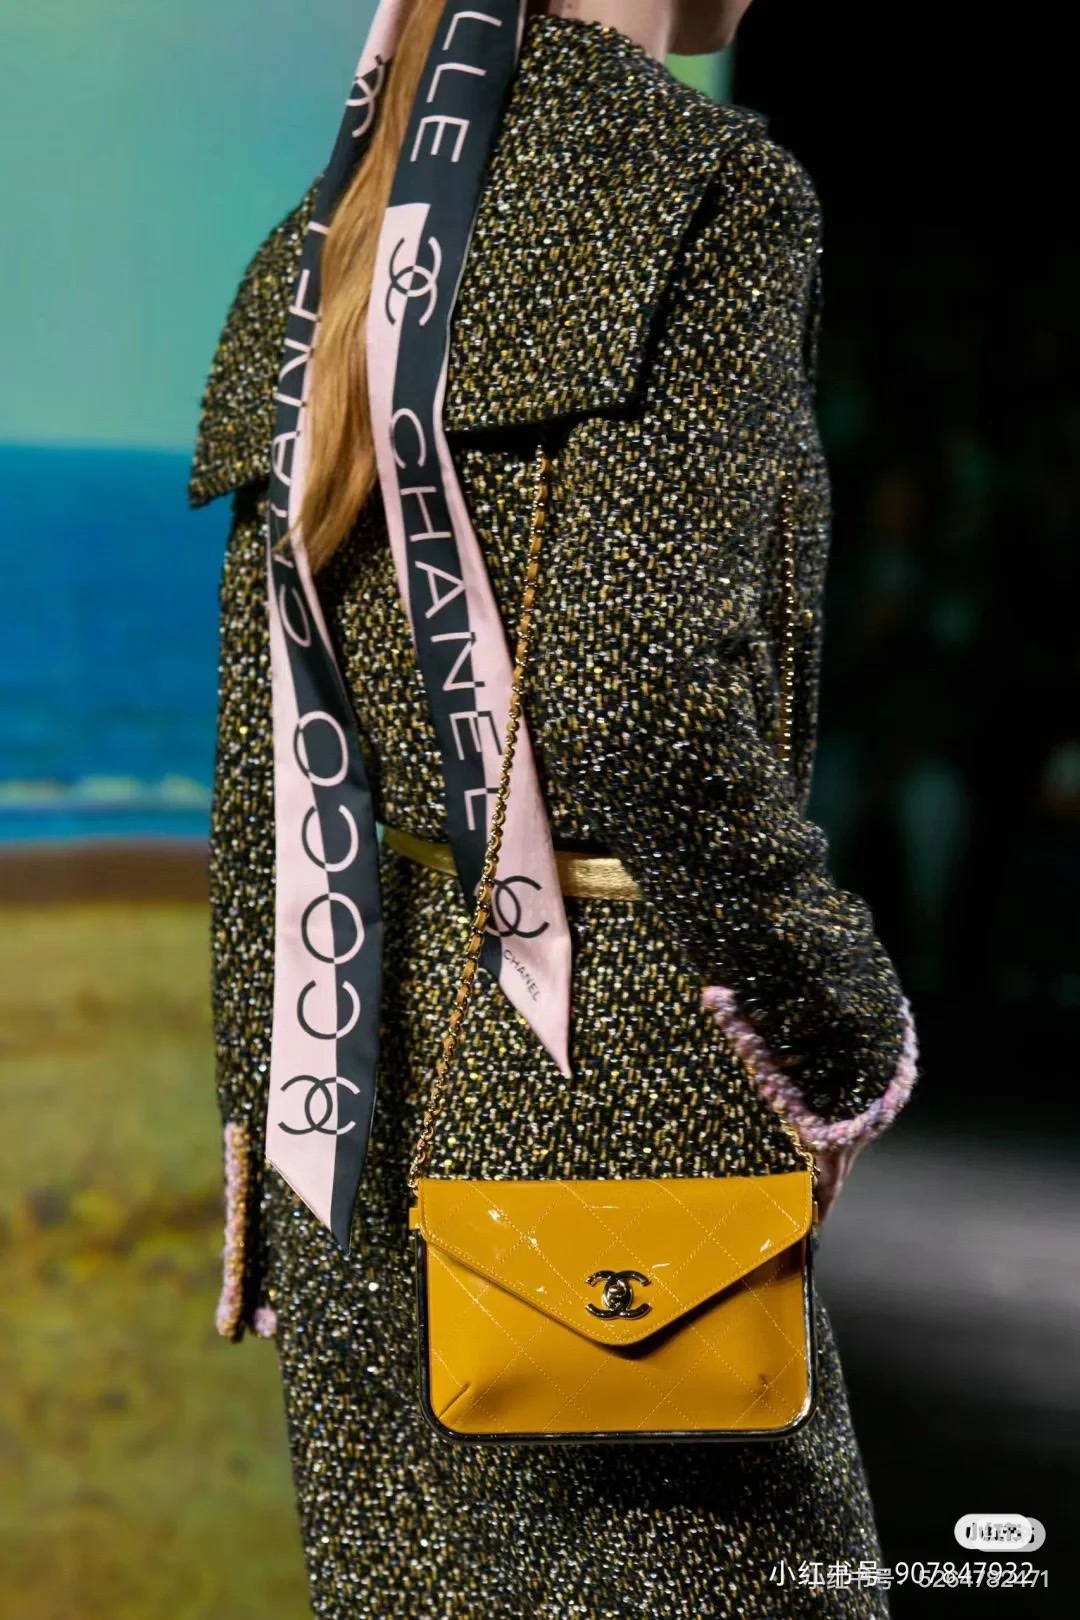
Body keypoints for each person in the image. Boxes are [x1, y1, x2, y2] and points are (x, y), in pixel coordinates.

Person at [190, 1, 918, 1614]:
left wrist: (261, 1105)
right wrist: (838, 1029)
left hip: (346, 1097)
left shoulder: (323, 230)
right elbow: (636, 691)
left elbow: (262, 736)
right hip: (602, 1125)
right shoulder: (704, 187)